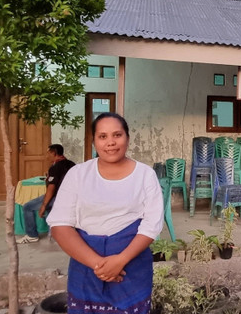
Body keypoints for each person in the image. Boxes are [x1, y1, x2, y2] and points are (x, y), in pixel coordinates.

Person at [46, 112, 164, 314]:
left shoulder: (145, 175)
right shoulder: (78, 174)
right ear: (93, 141)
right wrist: (100, 265)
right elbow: (60, 224)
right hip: (85, 268)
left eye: (117, 135)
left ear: (127, 137)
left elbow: (151, 225)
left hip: (131, 267)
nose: (110, 142)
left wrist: (120, 260)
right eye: (103, 136)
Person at [17, 144, 76, 244]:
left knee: (27, 207)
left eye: (48, 153)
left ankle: (32, 235)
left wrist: (43, 206)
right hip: (71, 198)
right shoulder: (72, 164)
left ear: (54, 153)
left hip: (58, 198)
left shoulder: (55, 167)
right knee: (50, 208)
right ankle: (52, 234)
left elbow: (51, 188)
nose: (46, 156)